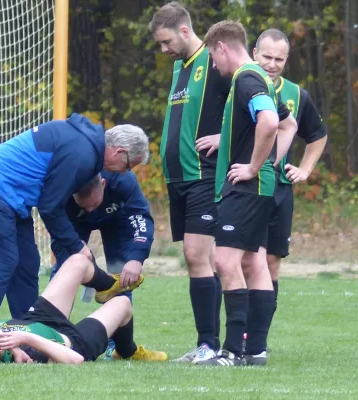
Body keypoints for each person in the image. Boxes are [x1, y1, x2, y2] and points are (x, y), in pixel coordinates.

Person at [0, 117, 149, 323]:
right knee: (2, 261)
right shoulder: (82, 153)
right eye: (129, 165)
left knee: (27, 263)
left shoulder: (87, 146)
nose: (126, 172)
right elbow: (50, 207)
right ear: (119, 152)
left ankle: (28, 334)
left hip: (13, 197)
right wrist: (77, 246)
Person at [197, 20, 297, 366]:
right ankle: (255, 351)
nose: (214, 65)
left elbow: (271, 122)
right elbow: (289, 124)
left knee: (224, 260)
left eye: (212, 55)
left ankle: (230, 352)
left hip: (246, 187)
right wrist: (271, 161)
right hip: (260, 188)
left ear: (222, 47)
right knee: (254, 263)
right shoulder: (259, 78)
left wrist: (255, 166)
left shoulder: (246, 78)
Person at [148, 2, 231, 363]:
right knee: (206, 260)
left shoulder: (215, 63)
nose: (163, 49)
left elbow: (257, 106)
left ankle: (209, 344)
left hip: (204, 177)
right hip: (178, 179)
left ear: (184, 31)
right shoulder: (180, 68)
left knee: (195, 256)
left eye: (166, 41)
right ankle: (210, 345)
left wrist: (224, 138)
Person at [248, 29, 327, 324]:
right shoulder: (239, 84)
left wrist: (305, 170)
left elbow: (317, 136)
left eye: (278, 59)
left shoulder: (296, 95)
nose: (271, 63)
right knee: (239, 261)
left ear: (286, 60)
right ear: (254, 53)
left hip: (279, 190)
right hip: (242, 187)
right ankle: (236, 333)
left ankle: (258, 337)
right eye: (266, 56)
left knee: (271, 263)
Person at [0, 253, 168, 363]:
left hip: (38, 317)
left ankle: (107, 285)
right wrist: (25, 339)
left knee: (78, 261)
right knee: (123, 303)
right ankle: (127, 352)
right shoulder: (25, 355)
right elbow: (76, 360)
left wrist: (4, 339)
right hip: (73, 341)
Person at [50, 171, 154, 358]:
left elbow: (141, 216)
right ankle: (51, 335)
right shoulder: (62, 184)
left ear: (104, 184)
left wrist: (137, 257)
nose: (91, 210)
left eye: (94, 204)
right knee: (63, 270)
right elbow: (54, 222)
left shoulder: (122, 180)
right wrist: (73, 246)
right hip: (74, 222)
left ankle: (117, 347)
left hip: (117, 220)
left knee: (122, 276)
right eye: (85, 206)